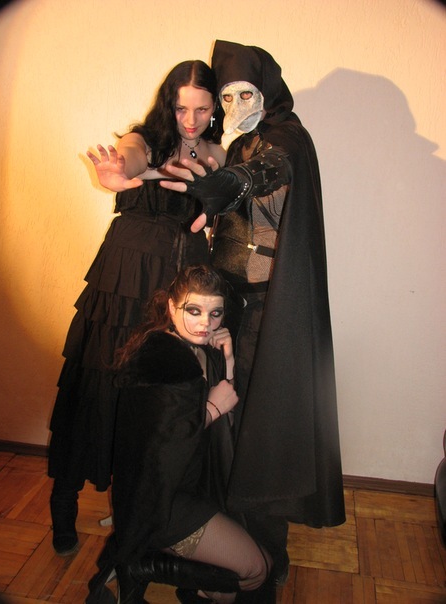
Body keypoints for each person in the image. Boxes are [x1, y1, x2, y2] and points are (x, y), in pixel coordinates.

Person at [161, 39, 346, 584]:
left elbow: (269, 169)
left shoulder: (286, 137)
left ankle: (266, 560)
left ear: (267, 92)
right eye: (227, 96)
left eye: (246, 93)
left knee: (265, 429)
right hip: (232, 311)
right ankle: (236, 547)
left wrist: (231, 182)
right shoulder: (240, 142)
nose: (236, 104)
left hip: (270, 313)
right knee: (231, 425)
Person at [47, 60, 226, 557]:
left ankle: (139, 508)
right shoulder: (145, 139)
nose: (190, 120)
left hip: (180, 286)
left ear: (214, 109)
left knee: (157, 399)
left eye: (202, 109)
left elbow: (222, 196)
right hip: (126, 279)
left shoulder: (218, 153)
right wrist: (119, 171)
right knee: (97, 384)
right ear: (169, 104)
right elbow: (127, 158)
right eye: (182, 108)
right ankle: (63, 501)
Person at [86, 265, 273, 604]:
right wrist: (211, 409)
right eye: (194, 310)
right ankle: (142, 567)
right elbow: (160, 449)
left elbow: (226, 409)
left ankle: (187, 586)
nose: (206, 323)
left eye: (215, 313)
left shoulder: (197, 349)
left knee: (260, 566)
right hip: (161, 502)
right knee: (256, 570)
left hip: (192, 485)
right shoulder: (160, 361)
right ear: (171, 307)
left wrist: (228, 357)